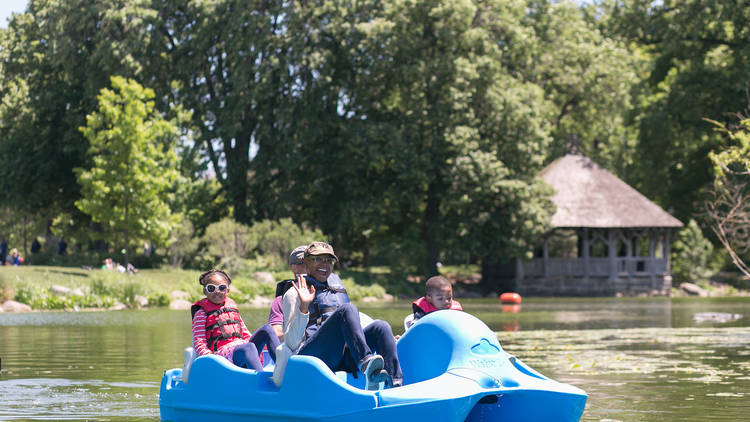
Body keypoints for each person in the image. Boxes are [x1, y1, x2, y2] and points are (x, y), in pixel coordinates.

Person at [272, 241, 402, 390]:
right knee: (346, 310)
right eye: (317, 259)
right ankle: (368, 367)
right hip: (311, 358)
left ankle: (395, 384)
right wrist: (304, 307)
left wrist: (386, 340)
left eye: (329, 260)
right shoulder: (293, 294)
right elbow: (291, 343)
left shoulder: (335, 288)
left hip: (341, 356)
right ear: (306, 263)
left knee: (381, 327)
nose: (325, 265)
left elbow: (352, 326)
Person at [191, 269, 280, 371]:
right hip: (221, 357)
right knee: (249, 347)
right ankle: (260, 381)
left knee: (267, 329)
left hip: (241, 349)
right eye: (211, 288)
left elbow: (245, 333)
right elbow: (199, 343)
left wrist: (262, 347)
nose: (217, 291)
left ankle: (284, 372)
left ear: (227, 291)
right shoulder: (201, 314)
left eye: (222, 288)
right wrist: (211, 359)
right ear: (205, 291)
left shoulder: (231, 307)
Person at [268, 245, 308, 340]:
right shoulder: (281, 299)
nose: (307, 267)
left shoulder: (326, 293)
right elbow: (276, 334)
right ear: (292, 267)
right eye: (302, 263)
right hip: (298, 347)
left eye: (311, 262)